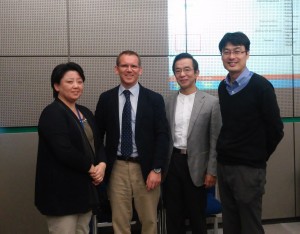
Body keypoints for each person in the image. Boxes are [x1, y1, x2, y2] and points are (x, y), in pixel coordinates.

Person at [216, 32, 284, 234]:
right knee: (230, 223)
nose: (231, 56)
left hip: (249, 169)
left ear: (247, 54)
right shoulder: (223, 86)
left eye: (237, 51)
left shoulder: (261, 86)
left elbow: (276, 130)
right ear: (221, 55)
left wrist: (257, 156)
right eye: (226, 52)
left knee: (250, 225)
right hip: (225, 165)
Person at [95, 50, 169, 234]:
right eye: (124, 65)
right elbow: (97, 136)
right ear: (116, 69)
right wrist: (102, 164)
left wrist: (157, 169)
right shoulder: (106, 99)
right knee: (120, 222)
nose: (129, 70)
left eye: (133, 66)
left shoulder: (154, 99)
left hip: (146, 169)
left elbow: (162, 135)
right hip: (117, 167)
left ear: (140, 70)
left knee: (149, 221)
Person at [35, 62, 106, 234]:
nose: (76, 86)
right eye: (70, 81)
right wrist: (91, 168)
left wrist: (102, 164)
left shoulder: (85, 112)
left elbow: (97, 143)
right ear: (57, 86)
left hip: (85, 192)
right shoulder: (52, 113)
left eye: (80, 81)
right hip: (61, 195)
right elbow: (63, 150)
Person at [163, 53, 222, 234]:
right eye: (178, 70)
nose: (182, 74)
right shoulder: (168, 101)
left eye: (187, 69)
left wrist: (212, 171)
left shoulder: (212, 103)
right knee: (173, 216)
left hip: (197, 166)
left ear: (196, 73)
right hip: (172, 164)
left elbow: (215, 140)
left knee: (197, 217)